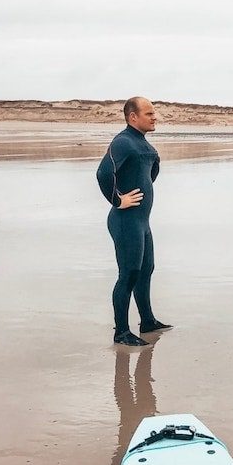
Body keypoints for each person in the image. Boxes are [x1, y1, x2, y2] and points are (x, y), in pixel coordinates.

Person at [96, 97, 172, 346]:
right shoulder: (124, 142)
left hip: (141, 221)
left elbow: (151, 172)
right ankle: (121, 332)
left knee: (145, 270)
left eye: (154, 113)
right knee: (128, 274)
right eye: (149, 114)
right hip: (125, 221)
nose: (155, 117)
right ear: (133, 117)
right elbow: (104, 173)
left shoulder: (142, 143)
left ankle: (147, 320)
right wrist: (118, 200)